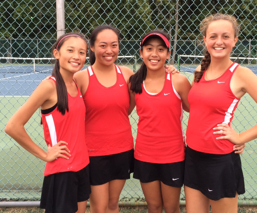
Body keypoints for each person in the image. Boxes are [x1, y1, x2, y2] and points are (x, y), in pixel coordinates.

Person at [129, 30, 245, 213]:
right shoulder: (134, 83)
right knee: (154, 206)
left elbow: (202, 111)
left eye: (160, 49)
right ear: (141, 52)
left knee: (171, 208)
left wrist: (235, 135)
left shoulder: (179, 81)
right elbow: (121, 112)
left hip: (173, 156)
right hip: (144, 155)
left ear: (168, 54)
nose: (154, 54)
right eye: (149, 48)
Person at [184, 13, 257, 213]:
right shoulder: (199, 70)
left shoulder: (242, 74)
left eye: (225, 36)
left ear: (235, 41)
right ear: (204, 40)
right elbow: (197, 108)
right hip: (193, 156)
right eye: (213, 36)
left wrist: (241, 136)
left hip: (220, 160)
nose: (219, 41)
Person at [73, 25, 178, 213]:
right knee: (99, 208)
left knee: (113, 205)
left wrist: (170, 69)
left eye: (114, 45)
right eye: (103, 45)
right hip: (93, 153)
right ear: (92, 47)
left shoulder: (128, 74)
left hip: (122, 150)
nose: (109, 50)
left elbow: (128, 108)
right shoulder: (80, 78)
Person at [5, 33, 90, 213]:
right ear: (56, 53)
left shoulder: (76, 83)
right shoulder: (49, 86)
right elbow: (12, 126)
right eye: (70, 50)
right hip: (62, 171)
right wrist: (45, 155)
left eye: (82, 52)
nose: (77, 56)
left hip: (82, 166)